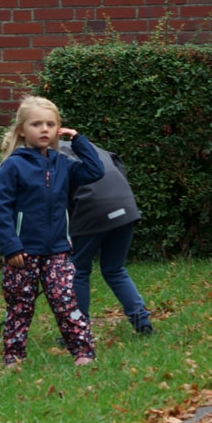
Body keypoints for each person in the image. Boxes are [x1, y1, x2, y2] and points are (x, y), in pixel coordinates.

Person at [0, 96, 105, 368]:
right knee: (20, 306)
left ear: (58, 129)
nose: (44, 129)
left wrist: (77, 140)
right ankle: (13, 357)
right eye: (36, 124)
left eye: (51, 124)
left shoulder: (62, 163)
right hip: (22, 253)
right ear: (21, 130)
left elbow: (95, 171)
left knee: (66, 302)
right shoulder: (13, 166)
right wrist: (11, 246)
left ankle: (83, 353)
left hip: (58, 251)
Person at [62, 140, 153, 336]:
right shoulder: (91, 147)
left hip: (91, 208)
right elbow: (117, 165)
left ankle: (78, 329)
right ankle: (142, 322)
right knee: (114, 269)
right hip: (125, 206)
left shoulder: (52, 156)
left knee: (79, 270)